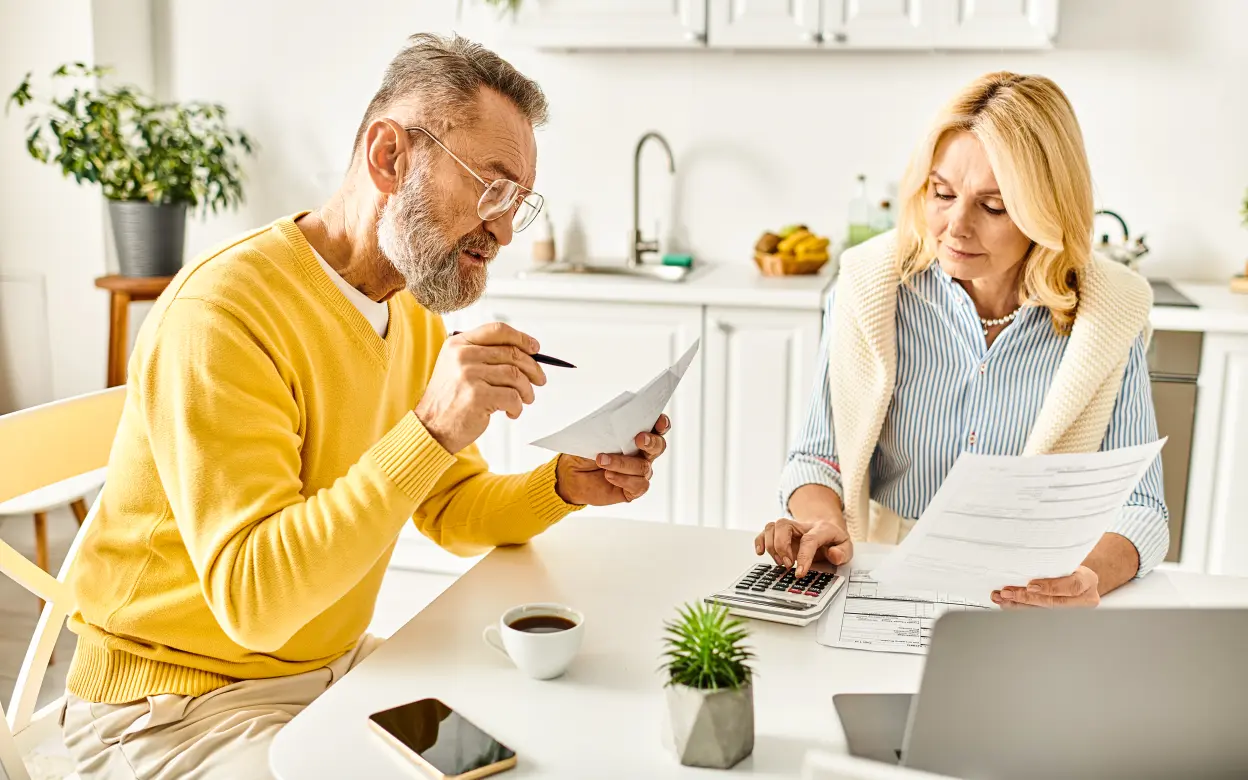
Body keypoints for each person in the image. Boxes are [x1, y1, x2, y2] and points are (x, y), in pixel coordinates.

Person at [61, 33, 670, 778]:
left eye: (519, 201)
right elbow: (255, 602)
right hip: (173, 707)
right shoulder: (225, 314)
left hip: (326, 673)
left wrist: (565, 484)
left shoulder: (410, 312)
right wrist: (433, 425)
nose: (505, 230)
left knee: (545, 740)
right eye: (491, 187)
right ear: (390, 157)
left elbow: (449, 506)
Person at [756, 71, 1167, 609]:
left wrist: (1087, 576)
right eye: (942, 193)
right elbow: (818, 459)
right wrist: (821, 526)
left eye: (993, 206)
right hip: (886, 565)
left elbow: (1142, 510)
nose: (955, 226)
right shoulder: (870, 287)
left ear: (1047, 210)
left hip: (1031, 584)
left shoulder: (1109, 311)